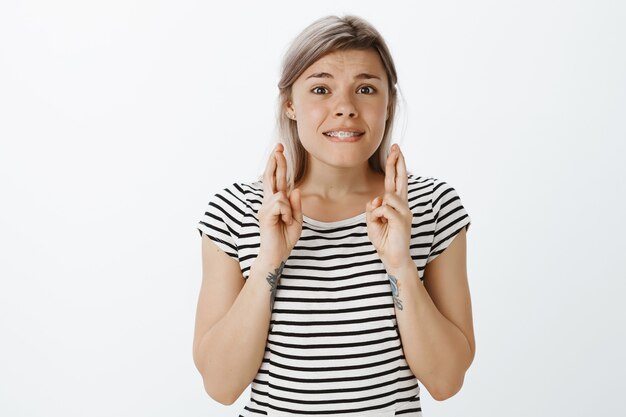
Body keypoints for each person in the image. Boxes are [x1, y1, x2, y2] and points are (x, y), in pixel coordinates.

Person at [193, 15, 475, 417]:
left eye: (365, 89)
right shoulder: (236, 210)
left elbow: (446, 382)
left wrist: (400, 264)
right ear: (290, 103)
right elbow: (221, 386)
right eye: (321, 89)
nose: (345, 108)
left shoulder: (432, 206)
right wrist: (268, 260)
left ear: (388, 102)